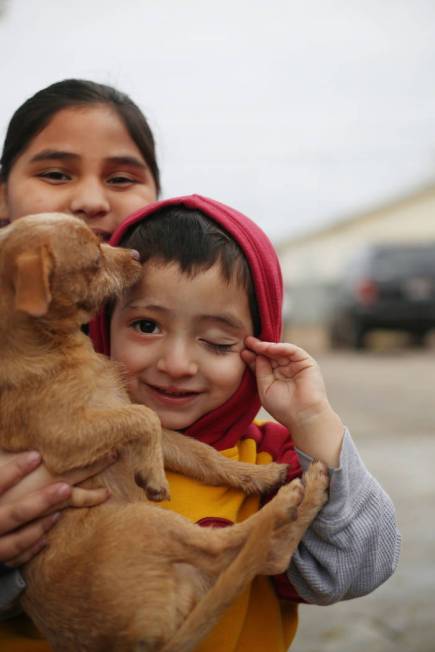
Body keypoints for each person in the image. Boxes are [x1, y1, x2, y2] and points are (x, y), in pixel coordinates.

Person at [89, 194, 401, 652]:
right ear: (102, 324)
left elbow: (354, 570)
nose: (177, 364)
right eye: (147, 327)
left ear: (259, 346)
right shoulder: (64, 445)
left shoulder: (270, 466)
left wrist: (313, 420)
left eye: (216, 342)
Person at [0, 77, 161, 643]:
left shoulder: (193, 334)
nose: (92, 199)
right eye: (55, 173)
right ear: (1, 196)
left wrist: (321, 437)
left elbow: (346, 570)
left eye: (121, 178)